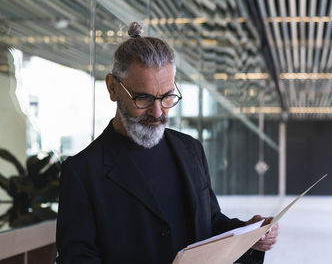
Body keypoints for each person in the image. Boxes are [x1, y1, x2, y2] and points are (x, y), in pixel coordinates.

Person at [56, 22, 279, 264]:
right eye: (143, 98)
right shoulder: (82, 172)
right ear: (112, 87)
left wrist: (248, 233)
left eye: (167, 97)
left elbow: (211, 223)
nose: (157, 111)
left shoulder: (191, 149)